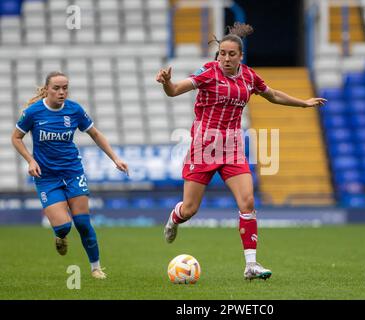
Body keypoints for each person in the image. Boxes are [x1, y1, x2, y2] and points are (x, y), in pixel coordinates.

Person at [156, 23, 326, 281]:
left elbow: (273, 95)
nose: (225, 58)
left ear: (240, 56)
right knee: (190, 209)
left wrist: (302, 103)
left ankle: (251, 265)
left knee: (247, 202)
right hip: (203, 148)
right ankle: (174, 218)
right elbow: (175, 90)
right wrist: (167, 82)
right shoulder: (208, 72)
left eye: (231, 54)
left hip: (233, 149)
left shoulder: (249, 77)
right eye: (222, 53)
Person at [11, 71, 129, 279]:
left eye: (65, 87)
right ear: (47, 89)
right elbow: (16, 137)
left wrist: (115, 158)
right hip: (46, 177)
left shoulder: (74, 110)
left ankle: (96, 268)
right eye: (56, 88)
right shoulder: (33, 112)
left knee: (83, 223)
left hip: (73, 172)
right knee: (64, 226)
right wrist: (30, 160)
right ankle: (60, 236)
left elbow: (95, 134)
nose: (61, 92)